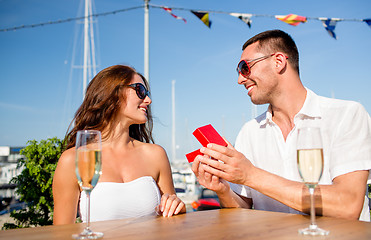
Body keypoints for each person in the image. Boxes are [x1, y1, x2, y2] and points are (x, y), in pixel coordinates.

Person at [191, 29, 371, 221]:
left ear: (278, 61)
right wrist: (223, 190)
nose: (240, 79)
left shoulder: (347, 115)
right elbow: (241, 208)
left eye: (245, 67)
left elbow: (348, 205)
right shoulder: (249, 132)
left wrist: (250, 175)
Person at [53, 65, 186, 225]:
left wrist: (178, 207)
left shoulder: (156, 155)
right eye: (140, 91)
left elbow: (170, 219)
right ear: (113, 93)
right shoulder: (74, 159)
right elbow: (62, 233)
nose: (148, 100)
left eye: (147, 94)